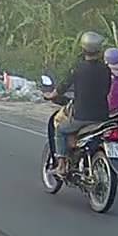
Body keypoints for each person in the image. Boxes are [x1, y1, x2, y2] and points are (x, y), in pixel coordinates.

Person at [44, 31, 113, 177]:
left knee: (60, 130)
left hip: (82, 116)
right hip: (102, 116)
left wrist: (51, 95)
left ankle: (61, 166)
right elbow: (106, 90)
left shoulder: (78, 68)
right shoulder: (106, 69)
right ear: (99, 50)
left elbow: (63, 86)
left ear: (83, 49)